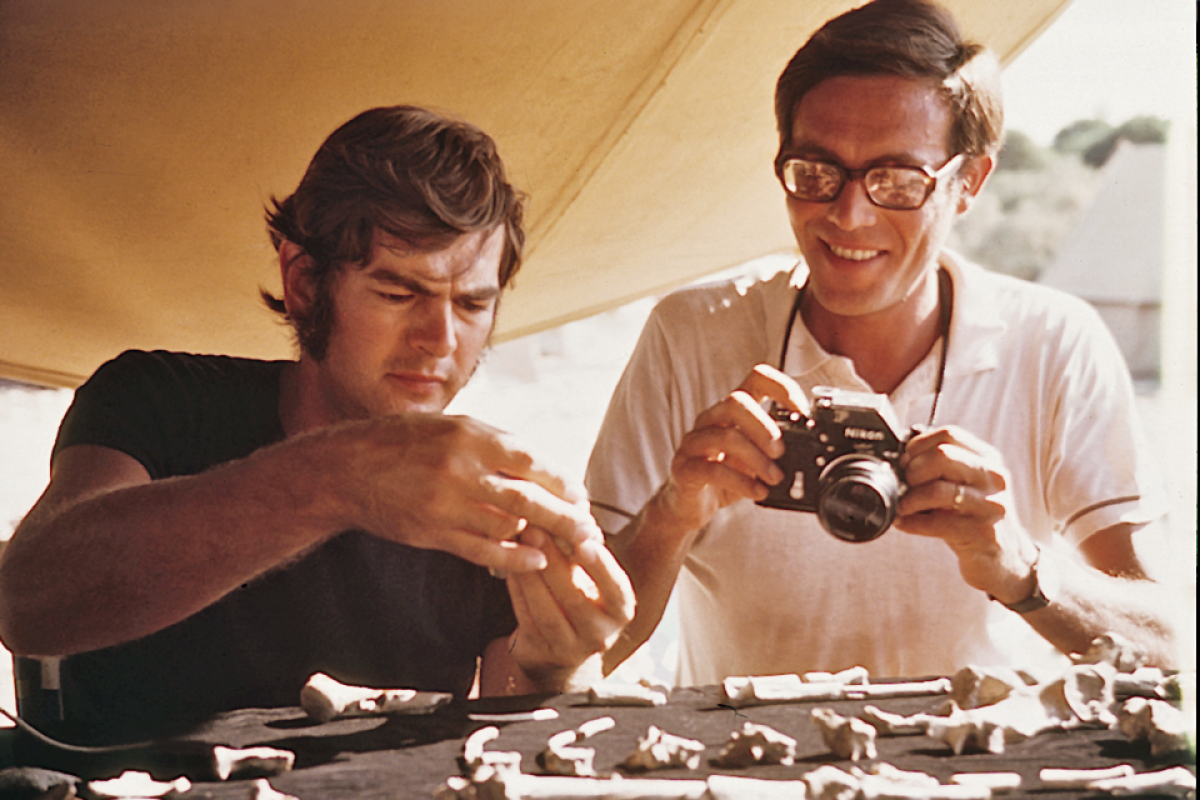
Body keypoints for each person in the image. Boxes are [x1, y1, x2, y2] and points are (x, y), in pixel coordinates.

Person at [585, 0, 1177, 686]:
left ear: (969, 184)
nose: (848, 214)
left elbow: (1173, 649)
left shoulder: (1053, 345)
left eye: (897, 180)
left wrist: (1021, 569)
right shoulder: (692, 334)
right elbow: (564, 651)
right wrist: (669, 517)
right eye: (815, 171)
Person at [0, 105, 634, 743]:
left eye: (472, 304)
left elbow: (520, 747)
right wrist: (338, 479)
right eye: (399, 293)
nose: (440, 338)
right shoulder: (161, 398)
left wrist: (558, 660)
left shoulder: (479, 492)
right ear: (303, 281)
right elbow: (27, 605)